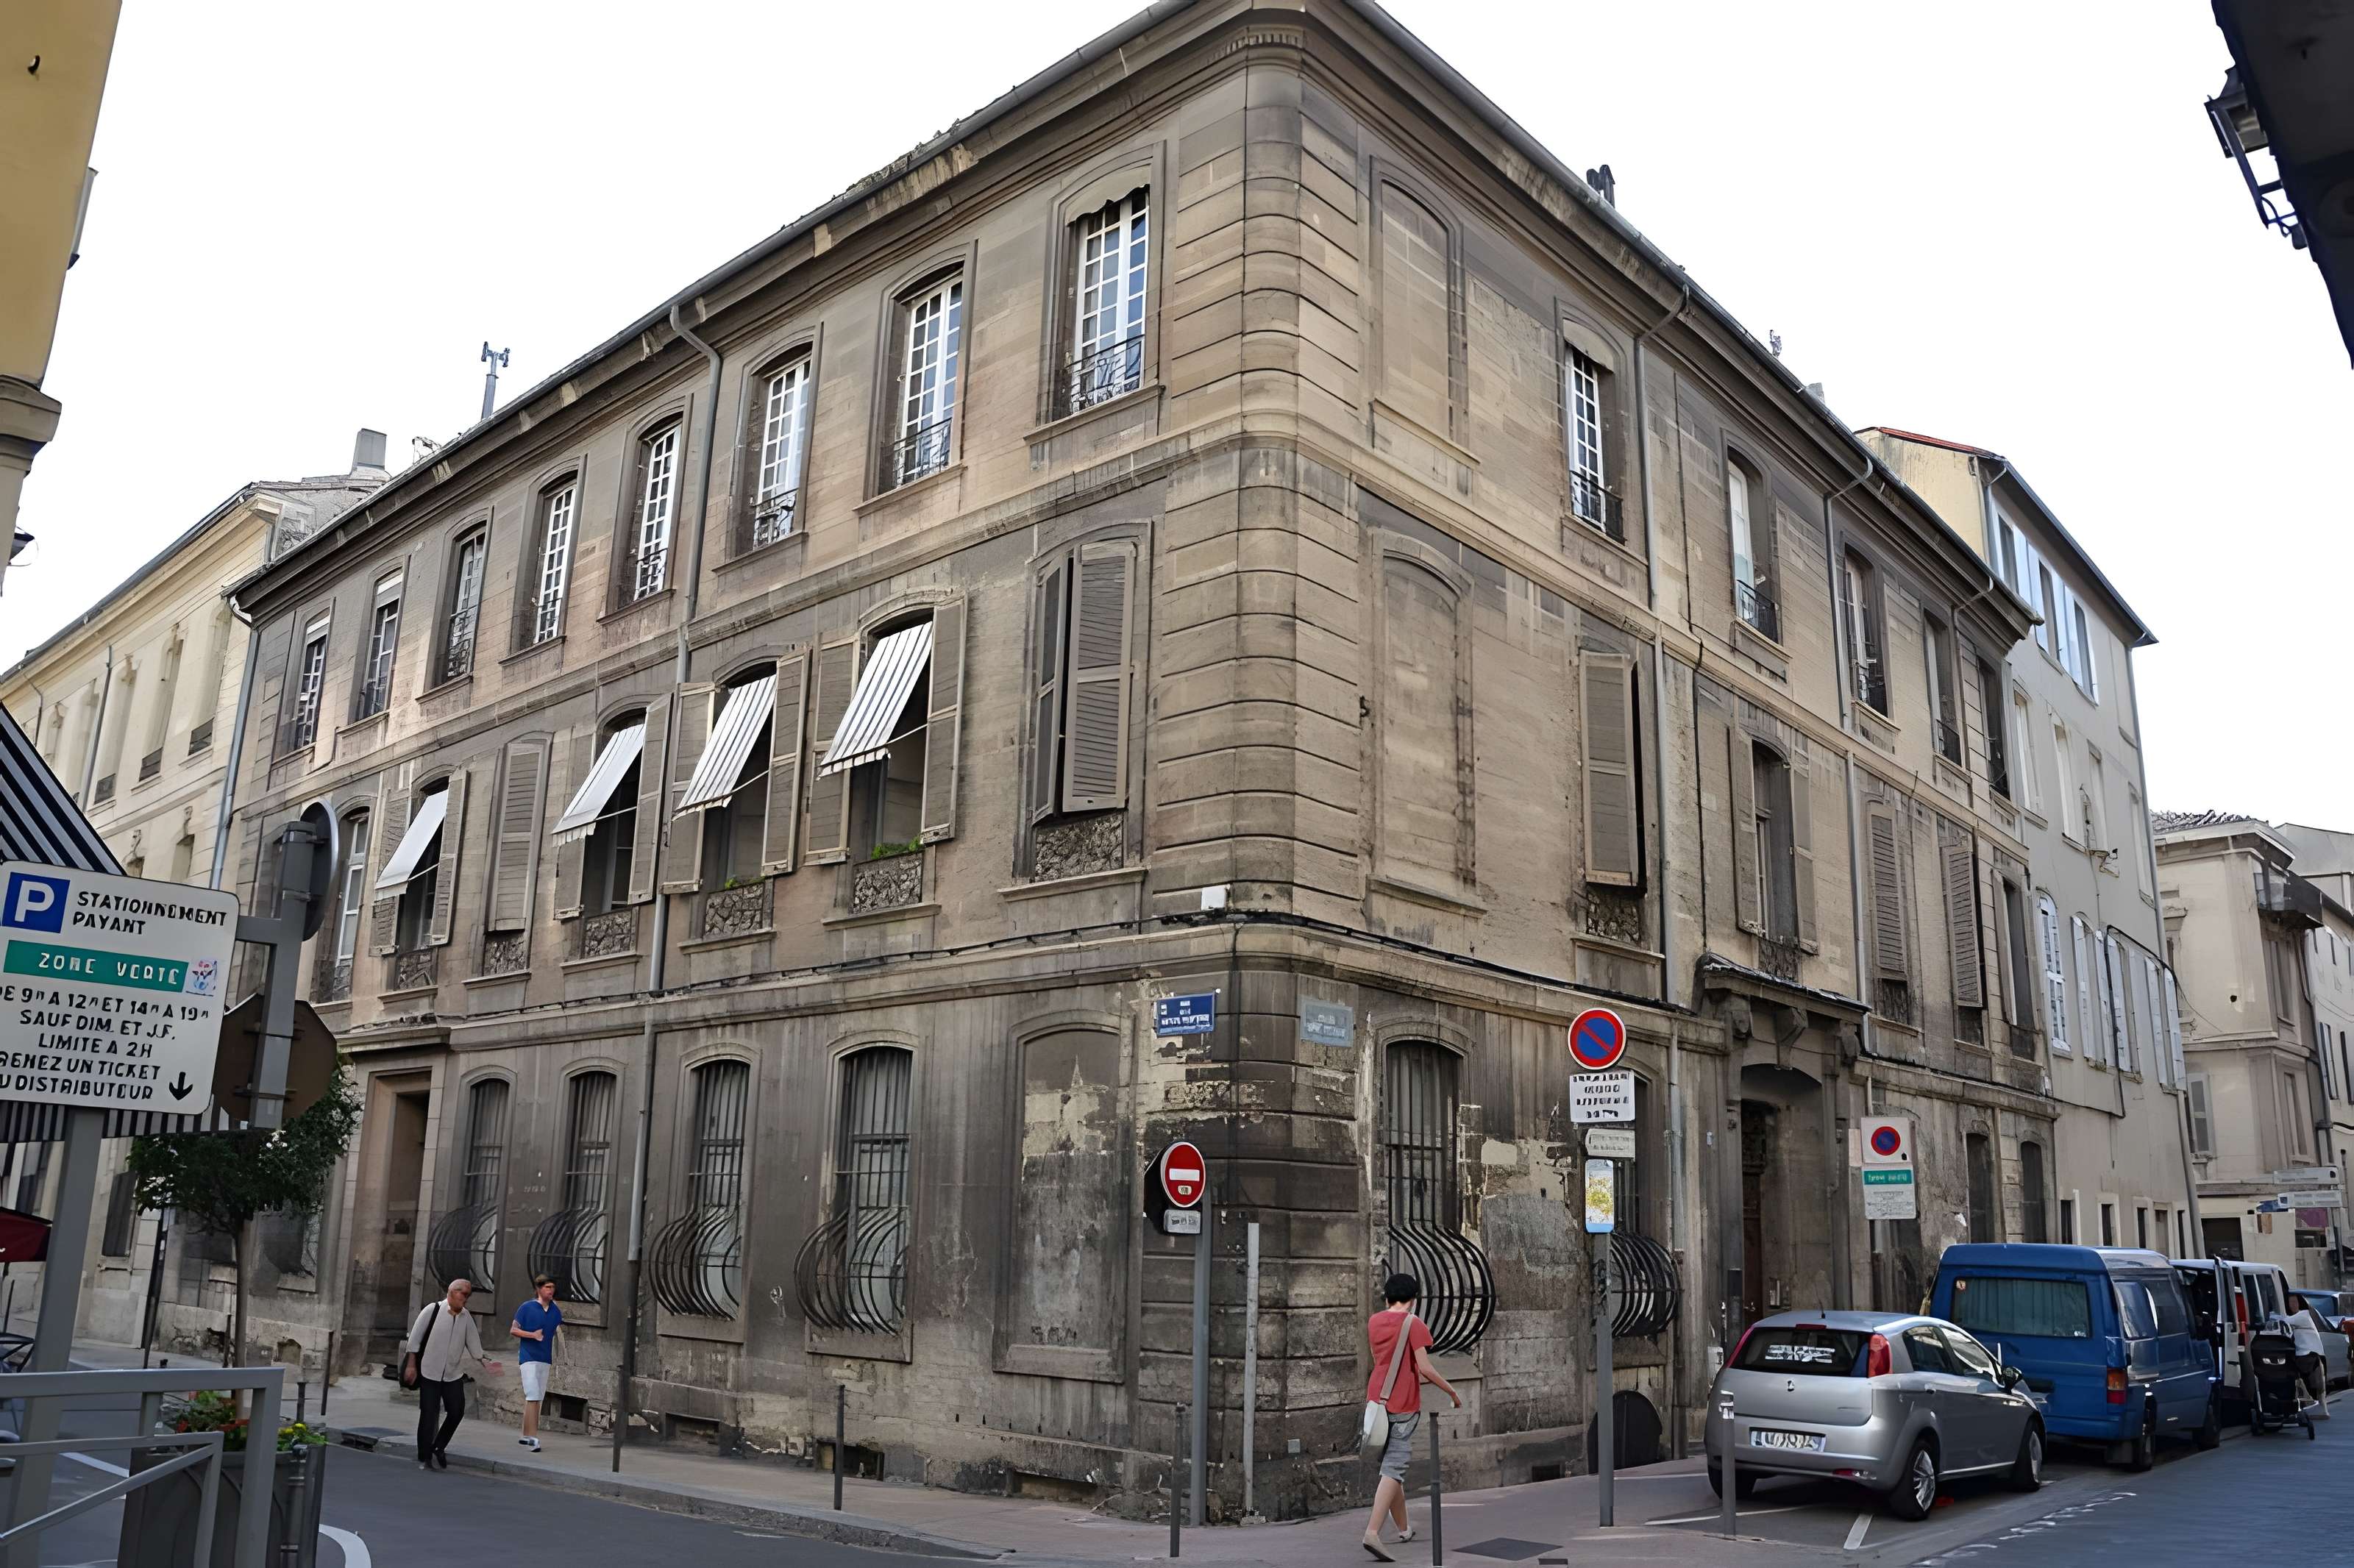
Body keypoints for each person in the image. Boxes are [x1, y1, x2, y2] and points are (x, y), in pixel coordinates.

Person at [1361, 1272, 1459, 1561]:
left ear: (1388, 1297)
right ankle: (1372, 1533)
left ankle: (1404, 1529)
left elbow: (1381, 1360)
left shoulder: (1374, 1321)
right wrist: (1452, 1392)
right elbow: (1425, 1368)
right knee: (1395, 1468)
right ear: (1413, 1299)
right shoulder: (1413, 1324)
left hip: (1376, 1401)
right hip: (1402, 1404)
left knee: (1391, 1470)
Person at [405, 1278, 496, 1470]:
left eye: (468, 1295)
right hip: (429, 1371)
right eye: (464, 1294)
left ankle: (439, 1446)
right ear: (451, 1292)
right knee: (429, 1415)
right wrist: (411, 1366)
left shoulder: (466, 1317)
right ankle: (425, 1457)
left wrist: (486, 1361)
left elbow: (474, 1346)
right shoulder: (433, 1310)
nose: (466, 1299)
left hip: (452, 1374)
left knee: (456, 1411)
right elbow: (414, 1341)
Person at [511, 1275, 563, 1451]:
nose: (551, 1290)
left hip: (545, 1359)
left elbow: (556, 1331)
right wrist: (532, 1335)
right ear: (539, 1289)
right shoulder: (526, 1308)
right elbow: (514, 1329)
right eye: (547, 1287)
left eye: (553, 1287)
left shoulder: (555, 1311)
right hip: (528, 1358)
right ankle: (532, 1439)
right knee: (532, 1395)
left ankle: (527, 1436)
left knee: (537, 1399)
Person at [2283, 1301, 2330, 1413]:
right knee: (2314, 1385)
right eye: (2291, 1302)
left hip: (2308, 1355)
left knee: (2310, 1383)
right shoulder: (2301, 1317)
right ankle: (2319, 1408)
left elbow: (2285, 1320)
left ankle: (2315, 1407)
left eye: (2295, 1302)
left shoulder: (2304, 1315)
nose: (2292, 1304)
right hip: (2309, 1354)